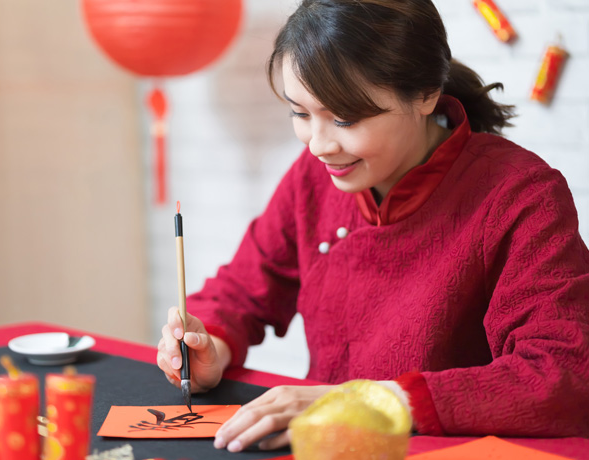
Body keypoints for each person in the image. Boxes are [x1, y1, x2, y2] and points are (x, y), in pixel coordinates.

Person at [156, 0, 589, 453]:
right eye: (300, 114)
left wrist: (370, 401)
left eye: (345, 118)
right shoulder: (314, 176)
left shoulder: (519, 194)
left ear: (424, 94)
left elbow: (563, 374)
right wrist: (209, 348)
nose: (320, 145)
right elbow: (242, 291)